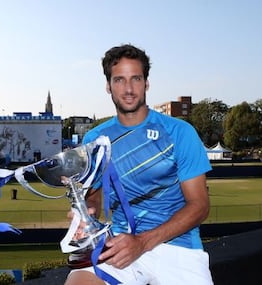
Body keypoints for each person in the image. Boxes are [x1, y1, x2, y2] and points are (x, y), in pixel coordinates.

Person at [64, 44, 213, 285]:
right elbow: (93, 196)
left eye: (136, 78)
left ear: (146, 83)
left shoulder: (180, 132)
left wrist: (143, 242)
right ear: (108, 86)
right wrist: (86, 212)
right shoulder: (95, 139)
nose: (129, 88)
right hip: (121, 246)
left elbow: (200, 206)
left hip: (178, 249)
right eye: (119, 80)